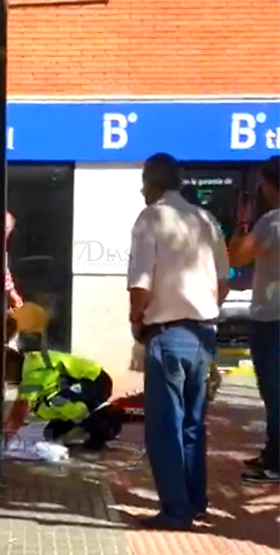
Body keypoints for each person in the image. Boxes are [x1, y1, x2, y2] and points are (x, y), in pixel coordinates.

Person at [127, 153, 230, 530]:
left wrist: (136, 321)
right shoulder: (206, 219)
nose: (141, 191)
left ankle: (175, 511)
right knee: (193, 423)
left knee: (164, 427)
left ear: (151, 183)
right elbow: (223, 283)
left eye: (143, 183)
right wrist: (202, 308)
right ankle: (195, 500)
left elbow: (141, 283)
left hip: (167, 335)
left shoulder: (150, 218)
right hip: (203, 334)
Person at [227, 156, 280, 484]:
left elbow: (237, 257)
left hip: (272, 321)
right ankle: (273, 452)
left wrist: (243, 222)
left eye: (262, 182)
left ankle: (275, 462)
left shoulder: (272, 222)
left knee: (274, 393)